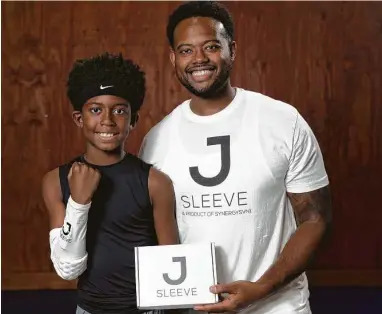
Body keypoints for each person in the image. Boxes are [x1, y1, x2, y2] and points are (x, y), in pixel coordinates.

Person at [139, 2, 332, 314]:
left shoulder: (282, 121)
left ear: (232, 49)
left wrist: (262, 287)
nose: (199, 59)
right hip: (196, 308)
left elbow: (315, 219)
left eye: (211, 47)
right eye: (186, 50)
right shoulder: (155, 142)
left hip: (279, 306)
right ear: (173, 58)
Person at [42, 52, 179, 314]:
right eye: (96, 110)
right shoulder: (56, 182)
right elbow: (68, 269)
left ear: (133, 120)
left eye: (119, 110)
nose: (107, 120)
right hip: (90, 309)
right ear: (79, 119)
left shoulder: (155, 182)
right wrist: (79, 204)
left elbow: (170, 262)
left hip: (147, 310)